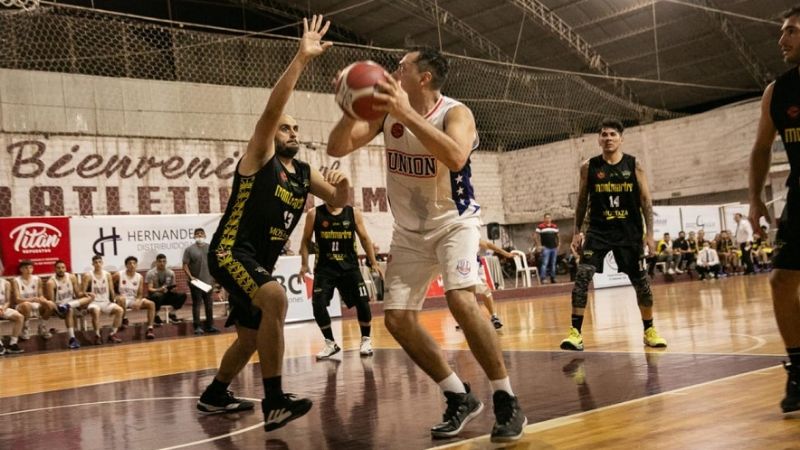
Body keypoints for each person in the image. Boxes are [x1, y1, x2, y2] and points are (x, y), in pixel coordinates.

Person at [327, 46, 526, 443]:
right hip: (410, 232)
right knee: (397, 319)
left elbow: (454, 156)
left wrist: (406, 115)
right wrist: (349, 106)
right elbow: (337, 148)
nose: (392, 71)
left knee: (461, 300)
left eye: (401, 67)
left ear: (423, 78)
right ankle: (458, 396)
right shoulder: (386, 114)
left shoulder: (457, 113)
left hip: (455, 222)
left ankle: (506, 398)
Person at [196, 16, 350, 432]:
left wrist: (344, 184)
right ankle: (275, 401)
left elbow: (338, 200)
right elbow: (271, 109)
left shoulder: (302, 171)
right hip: (230, 251)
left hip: (256, 258)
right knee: (277, 299)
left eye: (297, 128)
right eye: (286, 127)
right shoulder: (260, 157)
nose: (292, 131)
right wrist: (302, 58)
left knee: (249, 338)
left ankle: (214, 395)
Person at [560, 119, 667, 352]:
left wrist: (650, 234)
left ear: (621, 139)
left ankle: (649, 330)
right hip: (598, 231)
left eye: (612, 134)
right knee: (582, 278)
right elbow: (581, 201)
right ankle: (575, 333)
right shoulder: (589, 167)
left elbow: (646, 201)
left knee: (641, 283)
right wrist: (577, 231)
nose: (608, 138)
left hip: (629, 232)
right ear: (599, 139)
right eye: (604, 135)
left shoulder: (634, 165)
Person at [748, 5, 800, 414]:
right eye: (783, 32)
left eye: (792, 32)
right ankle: (799, 371)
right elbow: (762, 148)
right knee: (781, 280)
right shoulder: (777, 92)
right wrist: (754, 199)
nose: (782, 40)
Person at [299, 202, 382, 359]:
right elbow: (305, 240)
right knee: (318, 304)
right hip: (325, 269)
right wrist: (304, 264)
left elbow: (364, 238)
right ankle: (330, 343)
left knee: (363, 301)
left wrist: (374, 262)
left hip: (349, 267)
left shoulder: (353, 213)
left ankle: (366, 340)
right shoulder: (314, 214)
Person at [45, 260, 95, 349]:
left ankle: (68, 305)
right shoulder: (51, 282)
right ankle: (72, 338)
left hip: (72, 303)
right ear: (55, 269)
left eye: (63, 267)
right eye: (58, 268)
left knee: (91, 296)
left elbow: (78, 294)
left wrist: (84, 294)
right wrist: (57, 308)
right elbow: (51, 302)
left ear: (65, 268)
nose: (61, 270)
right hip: (59, 307)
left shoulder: (72, 277)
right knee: (69, 310)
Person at [183, 228, 219, 335]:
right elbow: (185, 265)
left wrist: (215, 279)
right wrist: (191, 277)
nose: (199, 235)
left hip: (209, 282)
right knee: (197, 304)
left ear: (205, 235)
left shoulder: (210, 248)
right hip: (196, 282)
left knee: (209, 304)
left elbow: (215, 263)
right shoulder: (189, 249)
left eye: (201, 233)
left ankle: (210, 326)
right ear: (194, 236)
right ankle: (197, 327)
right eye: (197, 234)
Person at [82, 255, 125, 344]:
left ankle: (113, 334)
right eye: (96, 262)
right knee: (96, 311)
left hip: (106, 302)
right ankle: (97, 335)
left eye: (99, 262)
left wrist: (114, 300)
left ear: (102, 263)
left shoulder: (107, 274)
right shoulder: (88, 275)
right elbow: (82, 291)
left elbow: (111, 289)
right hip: (94, 302)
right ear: (92, 264)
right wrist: (86, 298)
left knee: (120, 310)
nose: (98, 264)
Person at [474, 239, 514, 329]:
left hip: (476, 265)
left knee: (485, 290)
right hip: (461, 266)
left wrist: (505, 253)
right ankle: (465, 319)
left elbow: (487, 244)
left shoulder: (472, 234)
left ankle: (494, 316)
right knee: (465, 292)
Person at [114, 256, 157, 340]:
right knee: (121, 299)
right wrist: (115, 295)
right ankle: (124, 319)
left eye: (134, 263)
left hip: (133, 299)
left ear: (136, 265)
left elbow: (140, 294)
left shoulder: (139, 277)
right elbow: (109, 284)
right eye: (130, 263)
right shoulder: (119, 274)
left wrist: (137, 301)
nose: (132, 265)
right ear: (126, 265)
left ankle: (150, 329)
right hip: (122, 299)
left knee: (151, 304)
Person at [11, 260, 55, 340]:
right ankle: (26, 328)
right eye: (26, 268)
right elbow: (17, 299)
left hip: (35, 304)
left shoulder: (37, 279)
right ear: (21, 269)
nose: (29, 270)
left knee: (50, 304)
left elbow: (40, 295)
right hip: (22, 305)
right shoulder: (16, 280)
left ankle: (42, 327)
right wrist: (32, 299)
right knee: (26, 305)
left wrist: (44, 301)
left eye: (30, 268)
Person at [145, 254, 186, 324]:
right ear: (156, 262)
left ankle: (172, 314)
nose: (162, 263)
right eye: (160, 261)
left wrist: (174, 289)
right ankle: (155, 315)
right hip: (155, 296)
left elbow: (173, 286)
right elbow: (150, 289)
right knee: (158, 296)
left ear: (166, 262)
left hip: (166, 295)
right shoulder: (151, 273)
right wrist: (159, 290)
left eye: (164, 261)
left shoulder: (170, 273)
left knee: (182, 295)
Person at [0, 268, 25, 354]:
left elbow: (7, 301)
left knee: (20, 317)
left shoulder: (6, 283)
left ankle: (13, 344)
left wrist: (3, 308)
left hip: (3, 307)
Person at [534, 213, 559, 283]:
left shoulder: (554, 226)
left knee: (553, 263)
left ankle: (553, 278)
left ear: (551, 219)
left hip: (554, 247)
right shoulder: (540, 226)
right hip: (546, 248)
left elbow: (558, 236)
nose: (548, 219)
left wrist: (558, 245)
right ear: (544, 219)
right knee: (545, 263)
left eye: (549, 218)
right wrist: (538, 245)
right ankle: (543, 278)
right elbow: (535, 236)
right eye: (546, 218)